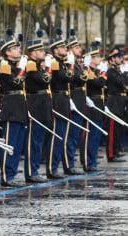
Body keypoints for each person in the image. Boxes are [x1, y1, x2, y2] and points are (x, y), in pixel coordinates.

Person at [0, 35, 28, 187]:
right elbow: (15, 82)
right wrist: (22, 69)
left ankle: (12, 174)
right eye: (15, 48)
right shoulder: (5, 65)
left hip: (19, 106)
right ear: (8, 52)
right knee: (9, 143)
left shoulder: (15, 66)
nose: (19, 50)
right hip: (10, 106)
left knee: (17, 145)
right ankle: (6, 175)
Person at [25, 34, 52, 183]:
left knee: (39, 140)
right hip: (35, 103)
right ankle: (30, 172)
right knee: (33, 140)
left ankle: (34, 170)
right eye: (40, 51)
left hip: (43, 103)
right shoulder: (31, 65)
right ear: (33, 53)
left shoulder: (38, 66)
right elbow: (45, 80)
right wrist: (48, 68)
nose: (43, 53)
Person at [47, 32, 74, 179]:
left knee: (62, 136)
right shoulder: (55, 62)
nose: (66, 49)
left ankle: (56, 166)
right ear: (55, 50)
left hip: (63, 99)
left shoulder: (60, 62)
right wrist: (71, 65)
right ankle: (52, 168)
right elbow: (67, 77)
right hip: (57, 99)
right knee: (57, 135)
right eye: (63, 47)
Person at [64, 34, 89, 175]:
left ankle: (71, 161)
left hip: (80, 100)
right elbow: (72, 79)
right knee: (71, 136)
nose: (79, 49)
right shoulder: (69, 63)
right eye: (76, 47)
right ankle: (69, 164)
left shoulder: (75, 63)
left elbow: (83, 78)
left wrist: (84, 66)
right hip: (73, 98)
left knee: (76, 135)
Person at [80, 47, 107, 171]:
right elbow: (99, 83)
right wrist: (103, 74)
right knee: (90, 137)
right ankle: (87, 162)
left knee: (96, 136)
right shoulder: (89, 71)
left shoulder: (94, 71)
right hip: (91, 106)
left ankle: (93, 162)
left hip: (98, 104)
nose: (99, 59)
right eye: (96, 57)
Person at [106, 48, 127, 162]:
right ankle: (111, 154)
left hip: (120, 101)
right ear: (113, 59)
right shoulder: (111, 71)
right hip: (114, 101)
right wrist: (124, 73)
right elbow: (121, 82)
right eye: (119, 57)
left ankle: (116, 151)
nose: (121, 59)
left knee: (119, 129)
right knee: (112, 130)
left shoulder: (118, 70)